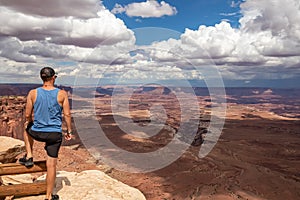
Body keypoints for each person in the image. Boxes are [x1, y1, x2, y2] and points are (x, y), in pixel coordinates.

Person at [19, 67, 73, 200]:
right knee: (51, 165)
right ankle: (49, 196)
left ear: (42, 78)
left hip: (37, 132)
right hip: (54, 135)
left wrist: (30, 122)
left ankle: (29, 155)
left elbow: (27, 114)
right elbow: (67, 114)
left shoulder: (33, 93)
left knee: (26, 128)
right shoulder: (62, 94)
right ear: (53, 77)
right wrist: (68, 130)